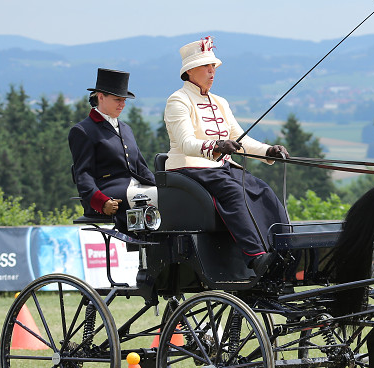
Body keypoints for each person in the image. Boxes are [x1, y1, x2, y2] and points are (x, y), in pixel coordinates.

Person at [164, 36, 289, 276]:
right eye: (206, 67)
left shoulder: (220, 102)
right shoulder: (178, 100)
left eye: (213, 67)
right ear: (190, 71)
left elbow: (241, 139)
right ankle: (256, 257)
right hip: (190, 168)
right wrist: (217, 146)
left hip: (221, 168)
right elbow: (186, 143)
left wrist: (268, 151)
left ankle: (282, 252)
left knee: (263, 191)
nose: (212, 71)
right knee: (234, 192)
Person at [69, 68, 157, 223]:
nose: (122, 104)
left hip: (136, 189)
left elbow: (141, 168)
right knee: (147, 200)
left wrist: (162, 188)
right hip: (109, 193)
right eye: (118, 99)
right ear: (101, 97)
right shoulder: (83, 130)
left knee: (169, 198)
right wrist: (101, 202)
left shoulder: (126, 129)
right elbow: (83, 174)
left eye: (124, 100)